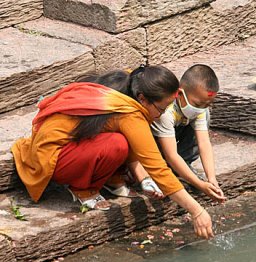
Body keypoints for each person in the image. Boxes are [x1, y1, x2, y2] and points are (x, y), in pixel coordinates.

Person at [12, 64, 213, 239]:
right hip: (51, 159)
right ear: (143, 99)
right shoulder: (131, 114)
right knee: (117, 144)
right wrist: (197, 211)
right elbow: (159, 168)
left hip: (54, 145)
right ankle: (82, 189)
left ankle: (112, 180)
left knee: (120, 141)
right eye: (162, 108)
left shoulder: (128, 81)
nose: (162, 115)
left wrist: (143, 178)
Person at [151, 64, 226, 203]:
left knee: (206, 115)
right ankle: (163, 171)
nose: (201, 108)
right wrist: (200, 185)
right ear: (179, 94)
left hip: (176, 132)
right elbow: (171, 155)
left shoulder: (201, 108)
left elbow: (203, 142)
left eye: (207, 104)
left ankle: (183, 164)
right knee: (165, 159)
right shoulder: (165, 112)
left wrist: (212, 179)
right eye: (197, 104)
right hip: (157, 142)